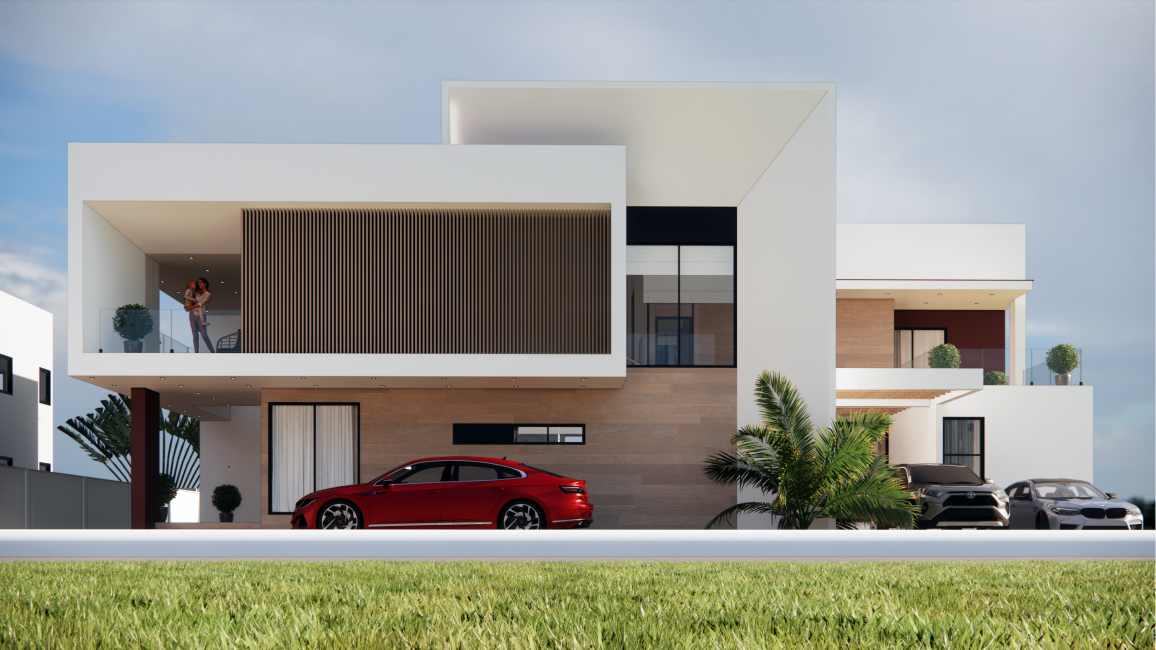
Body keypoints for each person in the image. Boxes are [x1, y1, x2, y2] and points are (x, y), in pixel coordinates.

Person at [185, 277, 214, 353]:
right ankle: (196, 353)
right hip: (192, 315)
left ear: (205, 284)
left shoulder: (208, 294)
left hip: (201, 316)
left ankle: (213, 352)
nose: (199, 284)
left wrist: (189, 307)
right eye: (198, 282)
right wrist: (186, 306)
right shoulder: (197, 293)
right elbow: (191, 301)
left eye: (200, 282)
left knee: (204, 335)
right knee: (195, 336)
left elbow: (200, 304)